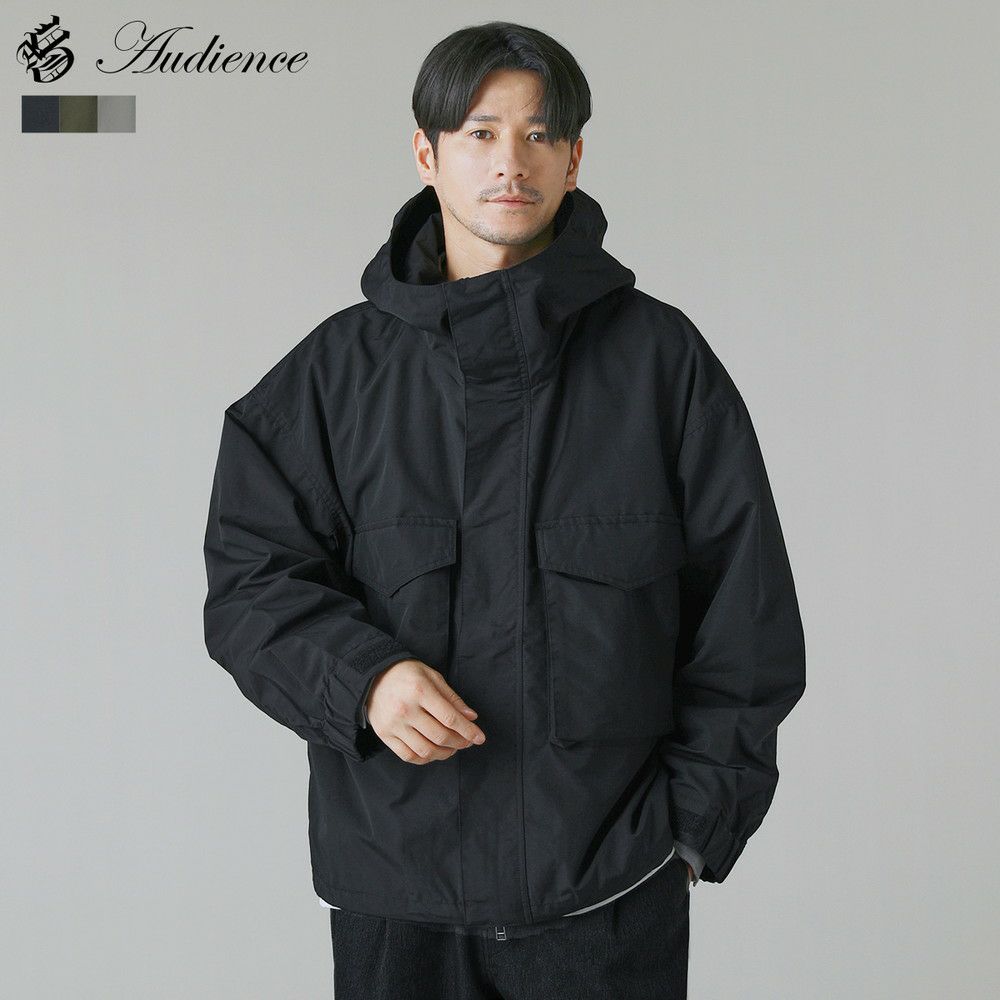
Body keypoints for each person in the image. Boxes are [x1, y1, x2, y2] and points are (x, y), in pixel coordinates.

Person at [202, 20, 806, 1000]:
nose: (509, 163)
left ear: (574, 159)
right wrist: (364, 680)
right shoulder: (326, 381)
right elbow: (250, 587)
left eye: (538, 135)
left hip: (609, 896)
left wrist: (692, 834)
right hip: (396, 900)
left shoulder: (661, 365)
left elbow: (747, 616)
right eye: (481, 133)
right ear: (426, 153)